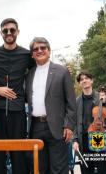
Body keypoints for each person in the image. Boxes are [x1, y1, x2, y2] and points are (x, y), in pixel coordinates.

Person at [0, 18, 35, 174]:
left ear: (18, 31)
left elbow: (37, 75)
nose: (9, 33)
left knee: (18, 153)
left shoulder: (26, 54)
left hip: (17, 110)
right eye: (5, 30)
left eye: (12, 30)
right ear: (1, 33)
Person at [25, 37, 76, 174]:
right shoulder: (29, 75)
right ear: (32, 54)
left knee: (58, 169)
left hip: (57, 127)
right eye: (36, 49)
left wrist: (69, 126)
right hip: (35, 127)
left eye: (43, 48)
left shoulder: (62, 71)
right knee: (39, 169)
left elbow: (71, 102)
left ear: (49, 50)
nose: (40, 51)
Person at [72, 71, 106, 173]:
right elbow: (75, 122)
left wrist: (105, 103)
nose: (84, 80)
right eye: (81, 79)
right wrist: (75, 140)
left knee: (101, 169)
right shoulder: (77, 101)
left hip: (98, 136)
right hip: (84, 139)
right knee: (86, 170)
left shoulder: (100, 97)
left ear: (92, 81)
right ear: (79, 83)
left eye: (86, 78)